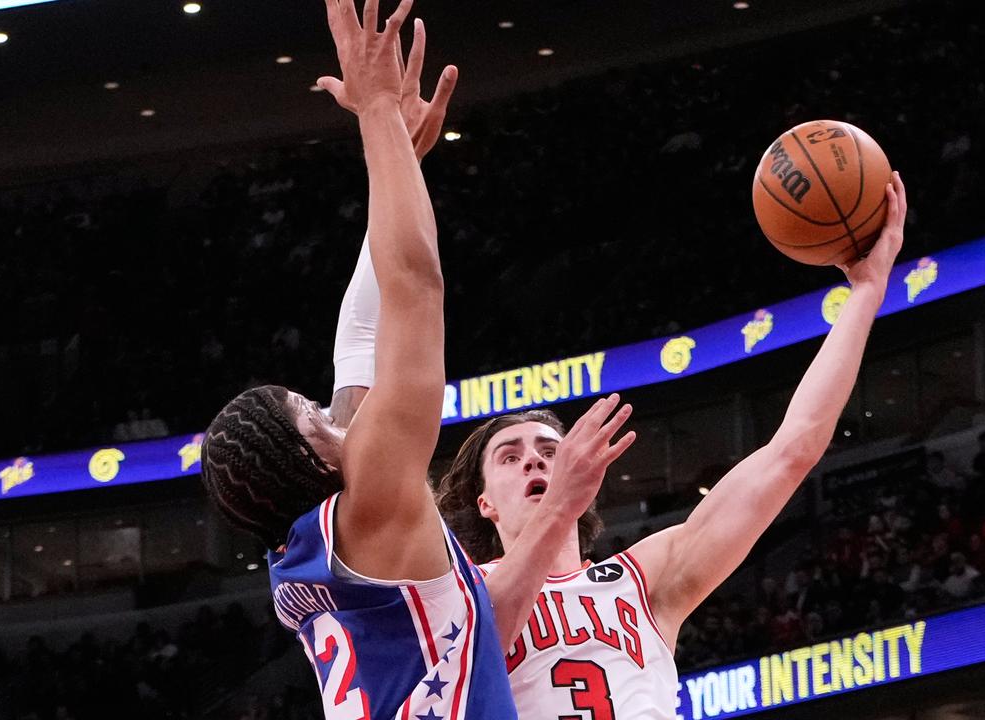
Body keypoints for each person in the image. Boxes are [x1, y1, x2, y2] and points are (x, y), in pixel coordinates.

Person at [199, 3, 634, 717]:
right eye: (309, 412)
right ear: (307, 456)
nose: (328, 409)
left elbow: (357, 344)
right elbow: (415, 287)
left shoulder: (311, 545)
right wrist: (375, 112)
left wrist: (401, 157)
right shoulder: (371, 501)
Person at [437, 174, 908, 715]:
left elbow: (792, 450)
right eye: (511, 457)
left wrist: (866, 292)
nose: (534, 462)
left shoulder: (645, 578)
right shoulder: (460, 591)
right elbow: (473, 653)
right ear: (485, 503)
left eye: (549, 451)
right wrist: (558, 503)